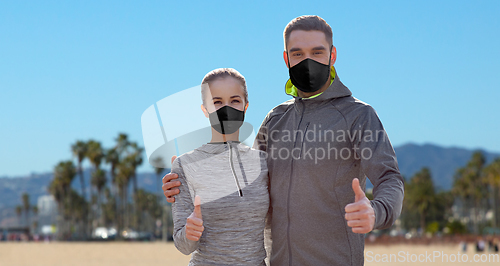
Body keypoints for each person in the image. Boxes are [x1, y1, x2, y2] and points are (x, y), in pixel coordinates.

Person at [164, 16, 404, 266]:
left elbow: (390, 178)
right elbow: (249, 186)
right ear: (286, 59)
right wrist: (183, 184)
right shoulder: (275, 119)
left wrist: (376, 211)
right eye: (298, 53)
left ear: (332, 56)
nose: (307, 61)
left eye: (317, 52)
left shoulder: (358, 115)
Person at [170, 68, 269, 265]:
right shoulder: (184, 165)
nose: (226, 108)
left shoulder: (264, 163)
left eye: (234, 101)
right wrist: (191, 233)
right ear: (205, 109)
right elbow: (183, 246)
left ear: (245, 106)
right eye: (217, 102)